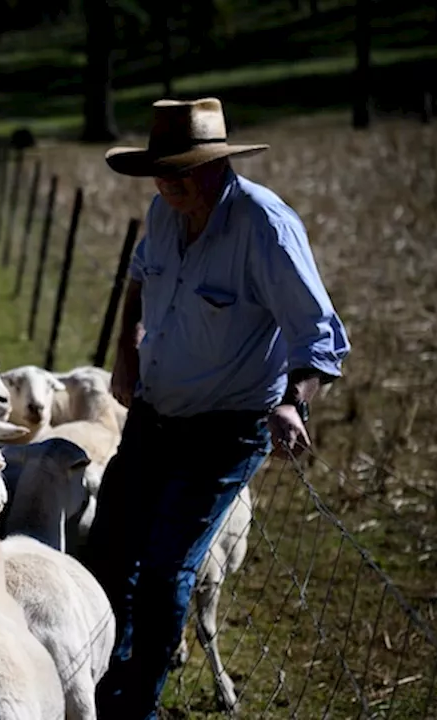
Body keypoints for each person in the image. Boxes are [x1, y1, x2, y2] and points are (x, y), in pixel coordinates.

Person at [84, 97, 351, 718]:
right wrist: (126, 349)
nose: (165, 183)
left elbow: (320, 336)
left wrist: (293, 403)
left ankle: (134, 707)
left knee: (164, 570)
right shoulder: (164, 211)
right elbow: (141, 277)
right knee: (107, 553)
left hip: (225, 430)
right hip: (153, 417)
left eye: (180, 169)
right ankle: (102, 686)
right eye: (159, 170)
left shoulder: (265, 226)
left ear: (215, 165)